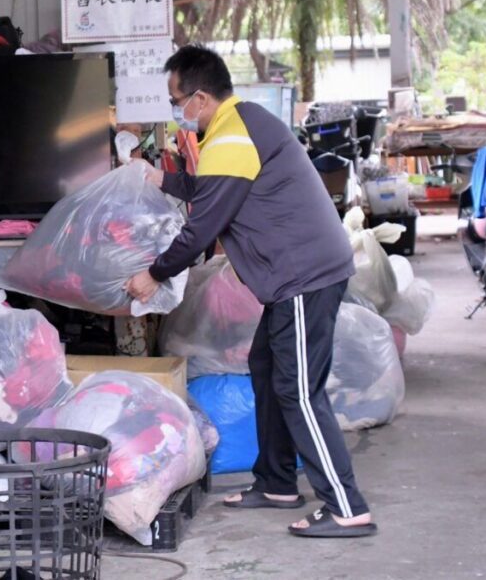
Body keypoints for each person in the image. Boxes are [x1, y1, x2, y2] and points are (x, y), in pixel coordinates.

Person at [125, 44, 376, 538]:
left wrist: (153, 274)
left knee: (299, 391)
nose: (179, 112)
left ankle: (347, 506)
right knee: (265, 368)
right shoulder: (235, 127)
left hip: (305, 276)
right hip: (293, 277)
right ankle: (278, 481)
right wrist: (163, 179)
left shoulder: (231, 135)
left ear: (200, 97)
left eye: (179, 101)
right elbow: (216, 188)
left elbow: (203, 227)